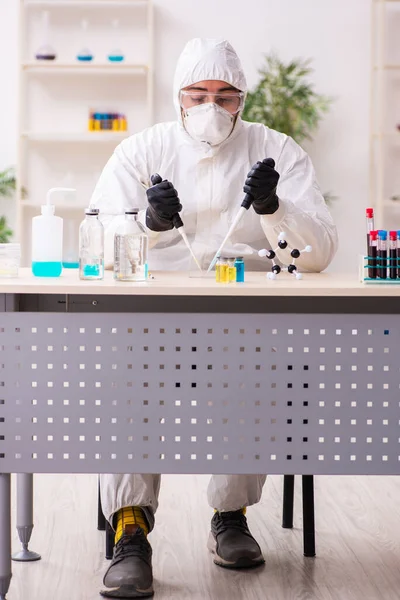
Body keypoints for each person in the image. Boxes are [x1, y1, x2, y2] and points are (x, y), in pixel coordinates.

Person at [92, 37, 338, 599]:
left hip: (243, 313)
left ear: (243, 99)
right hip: (149, 316)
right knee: (127, 381)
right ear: (177, 97)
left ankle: (230, 517)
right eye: (197, 93)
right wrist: (149, 226)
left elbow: (320, 252)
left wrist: (277, 208)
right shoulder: (141, 151)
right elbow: (100, 245)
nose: (211, 106)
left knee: (252, 378)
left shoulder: (275, 150)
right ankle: (130, 528)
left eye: (225, 95)